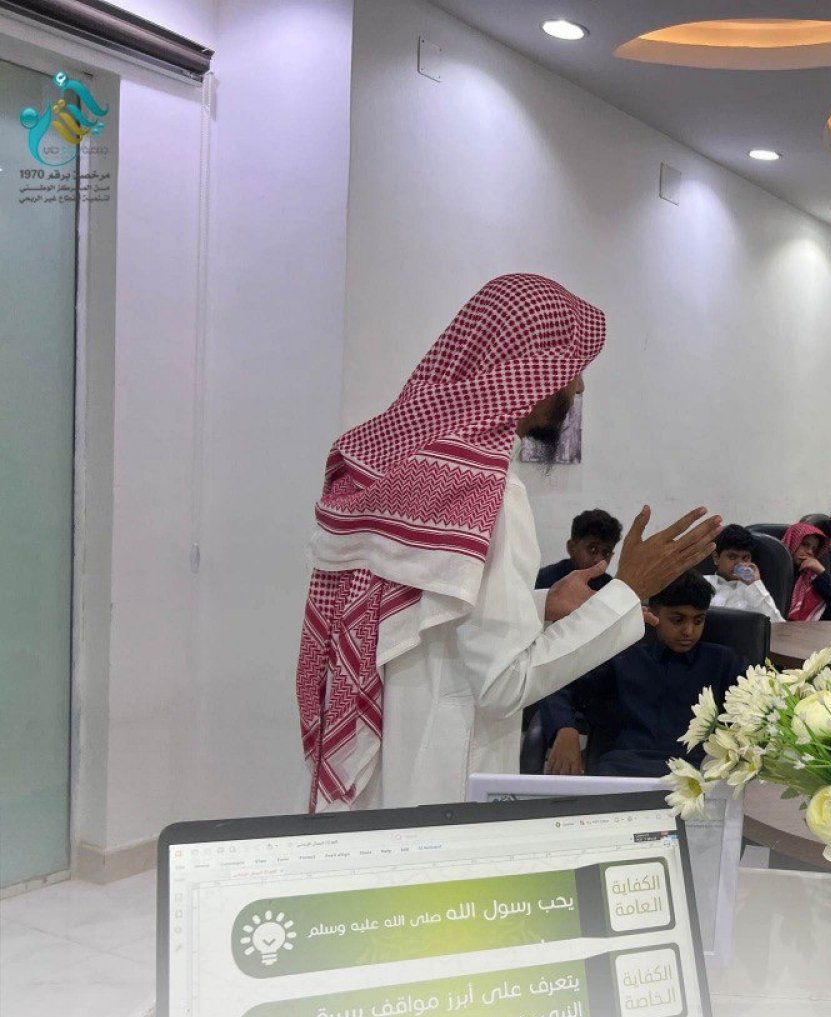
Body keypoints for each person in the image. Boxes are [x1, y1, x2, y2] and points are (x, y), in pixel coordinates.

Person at [297, 274, 719, 811]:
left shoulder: (387, 461)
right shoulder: (489, 492)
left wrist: (540, 605)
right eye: (572, 368)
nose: (578, 388)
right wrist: (627, 591)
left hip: (372, 757)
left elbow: (428, 614)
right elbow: (503, 684)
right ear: (528, 368)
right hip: (439, 776)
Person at [540, 572, 745, 778]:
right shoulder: (622, 658)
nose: (689, 631)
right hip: (625, 769)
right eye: (677, 620)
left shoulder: (724, 662)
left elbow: (755, 709)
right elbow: (560, 688)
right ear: (654, 612)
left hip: (697, 773)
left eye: (698, 621)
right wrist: (565, 730)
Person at [707, 524, 784, 623]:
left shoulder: (754, 590)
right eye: (732, 557)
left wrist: (755, 584)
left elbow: (778, 624)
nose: (739, 564)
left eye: (745, 558)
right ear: (716, 558)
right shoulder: (702, 583)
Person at [781, 522, 831, 622]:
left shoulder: (811, 576)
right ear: (792, 542)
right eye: (805, 545)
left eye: (814, 549)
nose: (810, 552)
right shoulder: (774, 572)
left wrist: (821, 572)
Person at [534, 508, 622, 589]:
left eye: (606, 553)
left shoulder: (610, 589)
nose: (599, 560)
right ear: (571, 547)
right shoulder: (543, 581)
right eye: (593, 549)